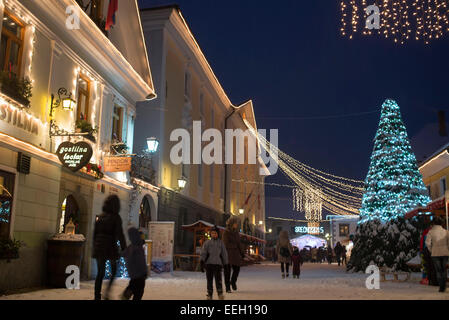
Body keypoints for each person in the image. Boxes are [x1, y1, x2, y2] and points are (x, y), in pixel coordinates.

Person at [93, 195, 126, 300]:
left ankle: (97, 296)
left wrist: (95, 246)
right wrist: (124, 248)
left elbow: (95, 234)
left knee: (100, 273)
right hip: (110, 247)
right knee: (114, 270)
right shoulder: (116, 217)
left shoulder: (100, 217)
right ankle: (107, 292)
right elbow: (120, 234)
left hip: (99, 247)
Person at [200, 225, 229, 300]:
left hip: (217, 264)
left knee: (218, 280)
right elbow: (204, 252)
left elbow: (224, 254)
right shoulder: (207, 243)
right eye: (212, 233)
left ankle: (220, 293)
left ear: (218, 234)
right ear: (210, 234)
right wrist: (202, 261)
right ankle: (209, 294)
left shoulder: (221, 243)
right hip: (209, 264)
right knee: (209, 280)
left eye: (215, 233)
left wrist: (226, 264)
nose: (214, 234)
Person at [121, 227, 147, 300]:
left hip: (133, 274)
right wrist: (144, 272)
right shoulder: (138, 247)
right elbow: (141, 262)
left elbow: (123, 254)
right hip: (140, 275)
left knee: (133, 287)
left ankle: (126, 295)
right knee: (139, 292)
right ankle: (125, 295)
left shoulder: (131, 247)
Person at [425, 216, 449, 293]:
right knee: (444, 269)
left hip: (435, 253)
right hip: (445, 252)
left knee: (438, 270)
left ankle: (441, 286)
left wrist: (431, 250)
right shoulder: (446, 231)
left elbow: (427, 243)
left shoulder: (431, 232)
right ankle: (444, 285)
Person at [222, 217, 244, 293]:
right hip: (228, 254)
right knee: (227, 271)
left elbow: (239, 243)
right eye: (235, 223)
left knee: (237, 269)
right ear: (232, 224)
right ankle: (227, 287)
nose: (236, 224)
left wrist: (242, 253)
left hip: (235, 254)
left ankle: (233, 281)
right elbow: (225, 244)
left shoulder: (236, 232)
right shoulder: (226, 232)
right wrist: (234, 246)